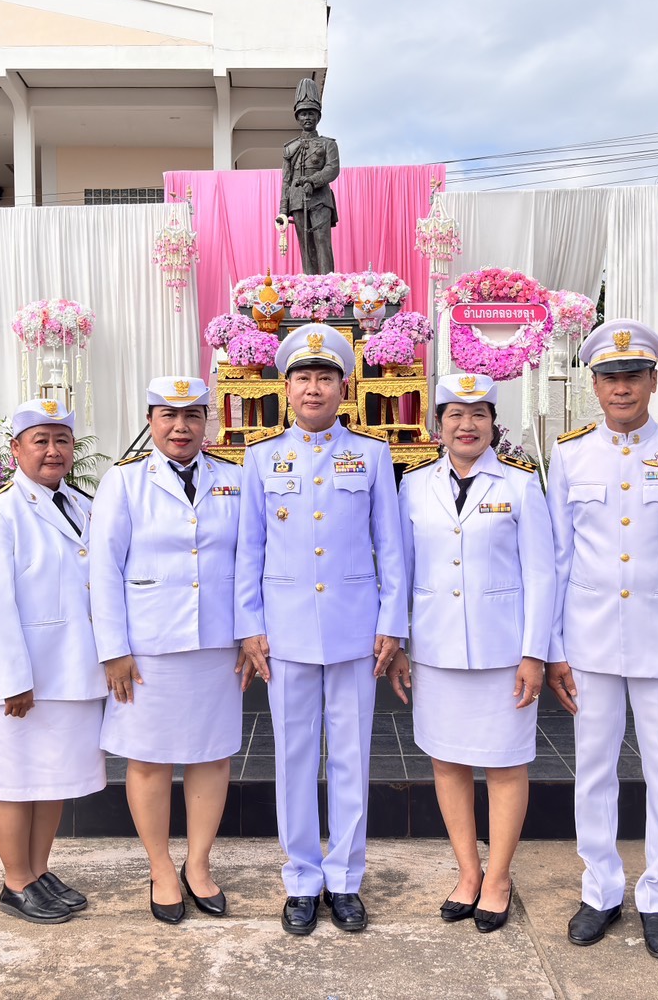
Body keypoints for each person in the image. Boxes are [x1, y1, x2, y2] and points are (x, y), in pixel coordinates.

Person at [543, 319, 658, 961]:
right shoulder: (568, 455)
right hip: (589, 643)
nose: (621, 388)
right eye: (609, 377)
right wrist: (555, 647)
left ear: (653, 380)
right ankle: (600, 890)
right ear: (593, 384)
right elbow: (558, 558)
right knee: (592, 771)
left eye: (632, 376)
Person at [236, 322, 407, 936]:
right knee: (295, 755)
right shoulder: (260, 458)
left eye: (326, 377)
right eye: (303, 377)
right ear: (286, 388)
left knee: (353, 755)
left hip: (356, 628)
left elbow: (390, 546)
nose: (314, 388)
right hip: (284, 632)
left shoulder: (372, 454)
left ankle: (346, 877)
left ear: (344, 385)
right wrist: (250, 626)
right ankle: (302, 877)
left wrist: (393, 622)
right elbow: (248, 551)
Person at [396, 372, 555, 934]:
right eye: (455, 415)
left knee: (506, 764)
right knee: (446, 761)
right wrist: (400, 643)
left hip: (503, 652)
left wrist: (535, 652)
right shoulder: (413, 487)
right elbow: (402, 572)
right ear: (437, 425)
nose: (467, 425)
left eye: (478, 415)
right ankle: (468, 871)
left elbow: (543, 575)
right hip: (437, 649)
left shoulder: (520, 485)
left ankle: (500, 876)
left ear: (493, 423)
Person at [90, 376, 244, 924]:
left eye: (193, 416)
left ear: (209, 422)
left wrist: (250, 635)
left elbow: (250, 564)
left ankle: (198, 864)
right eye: (168, 416)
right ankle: (160, 867)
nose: (181, 427)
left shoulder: (234, 478)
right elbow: (103, 569)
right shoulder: (124, 482)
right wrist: (113, 649)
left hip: (216, 643)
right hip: (148, 647)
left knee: (212, 756)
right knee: (149, 760)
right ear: (151, 420)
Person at [0, 398, 106, 925]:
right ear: (15, 449)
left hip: (72, 672)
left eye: (61, 440)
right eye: (39, 440)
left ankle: (38, 871)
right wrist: (13, 680)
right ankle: (14, 880)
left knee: (53, 779)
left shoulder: (85, 504)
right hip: (23, 679)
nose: (52, 450)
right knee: (16, 782)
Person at [276, 77, 341, 275]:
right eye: (303, 114)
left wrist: (313, 181)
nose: (307, 118)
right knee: (305, 247)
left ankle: (328, 286)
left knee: (322, 242)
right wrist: (283, 210)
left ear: (318, 116)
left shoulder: (328, 144)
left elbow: (332, 169)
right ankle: (310, 290)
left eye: (311, 113)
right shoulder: (289, 148)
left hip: (320, 199)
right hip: (297, 201)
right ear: (297, 117)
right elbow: (286, 180)